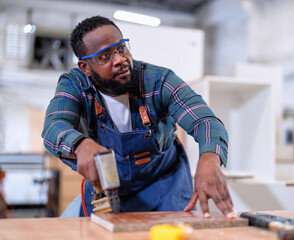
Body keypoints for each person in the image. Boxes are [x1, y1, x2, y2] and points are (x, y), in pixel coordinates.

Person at [42, 15, 235, 218]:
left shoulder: (158, 81)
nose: (120, 60)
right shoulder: (75, 84)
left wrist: (209, 158)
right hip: (108, 184)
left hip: (165, 183)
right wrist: (80, 145)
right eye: (105, 56)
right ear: (85, 67)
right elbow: (54, 126)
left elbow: (205, 121)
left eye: (121, 48)